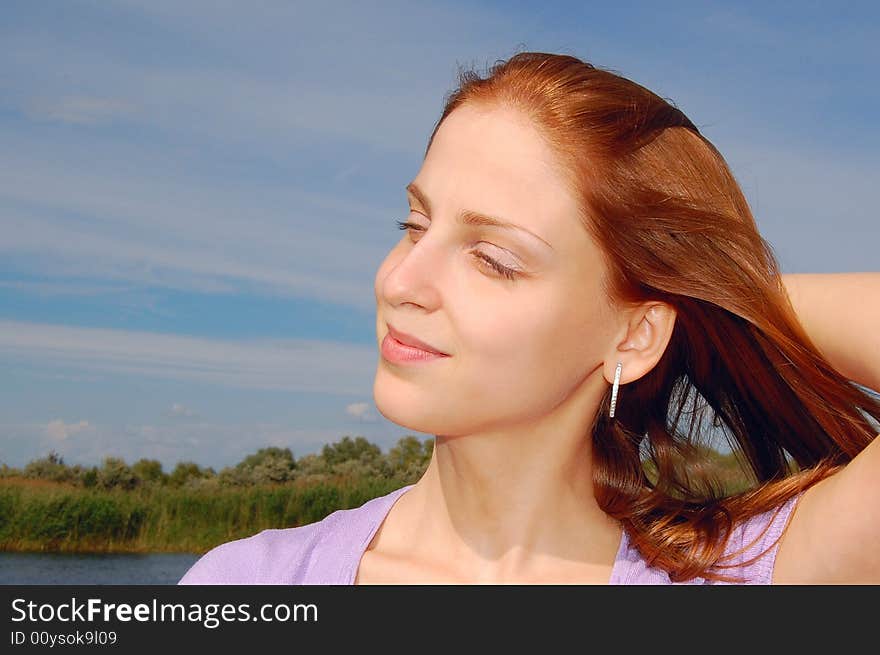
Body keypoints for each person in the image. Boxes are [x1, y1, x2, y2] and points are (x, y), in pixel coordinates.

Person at [179, 51, 880, 585]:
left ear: (634, 338)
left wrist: (717, 294)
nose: (401, 281)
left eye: (492, 259)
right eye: (416, 224)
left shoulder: (744, 577)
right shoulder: (249, 582)